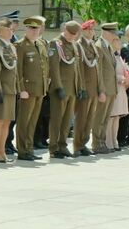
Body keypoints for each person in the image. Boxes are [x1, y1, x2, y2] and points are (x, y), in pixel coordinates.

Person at [15, 17, 50, 162]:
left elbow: (45, 65)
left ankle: (29, 148)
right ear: (26, 29)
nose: (35, 31)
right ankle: (23, 150)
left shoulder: (41, 44)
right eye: (32, 28)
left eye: (37, 29)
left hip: (39, 88)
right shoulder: (20, 45)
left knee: (33, 121)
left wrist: (46, 84)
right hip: (27, 90)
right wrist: (21, 89)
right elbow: (18, 70)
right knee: (24, 121)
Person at [48, 20, 81, 159]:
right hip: (60, 88)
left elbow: (76, 68)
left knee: (67, 119)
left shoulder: (73, 44)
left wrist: (79, 86)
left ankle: (62, 145)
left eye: (74, 35)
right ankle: (54, 147)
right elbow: (53, 67)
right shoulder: (55, 43)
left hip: (71, 88)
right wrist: (58, 86)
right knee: (57, 119)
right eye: (69, 33)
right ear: (65, 30)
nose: (71, 37)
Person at [0, 19, 18, 163]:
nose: (11, 32)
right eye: (8, 29)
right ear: (0, 31)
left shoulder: (11, 47)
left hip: (11, 89)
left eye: (12, 30)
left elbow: (15, 70)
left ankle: (2, 151)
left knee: (7, 121)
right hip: (2, 88)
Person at [71, 20, 100, 157]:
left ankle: (84, 143)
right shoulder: (79, 45)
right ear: (83, 31)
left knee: (89, 118)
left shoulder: (92, 45)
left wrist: (99, 88)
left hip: (94, 87)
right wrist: (81, 87)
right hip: (85, 88)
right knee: (81, 117)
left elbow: (96, 68)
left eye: (92, 30)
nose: (91, 32)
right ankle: (77, 146)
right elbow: (80, 69)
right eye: (88, 30)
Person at [91, 23, 119, 155]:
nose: (115, 36)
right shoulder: (99, 46)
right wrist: (100, 90)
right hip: (104, 90)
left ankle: (102, 142)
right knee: (99, 118)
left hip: (111, 89)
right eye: (114, 33)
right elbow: (99, 72)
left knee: (105, 118)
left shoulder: (107, 47)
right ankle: (97, 144)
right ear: (107, 33)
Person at [105, 31, 129, 152]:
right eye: (117, 40)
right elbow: (108, 72)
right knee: (111, 116)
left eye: (120, 40)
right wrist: (120, 78)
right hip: (113, 87)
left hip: (121, 89)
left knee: (117, 117)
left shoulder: (119, 55)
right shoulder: (110, 54)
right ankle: (108, 141)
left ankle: (114, 140)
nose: (119, 42)